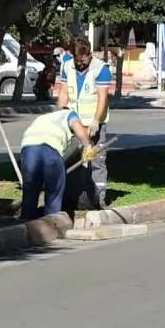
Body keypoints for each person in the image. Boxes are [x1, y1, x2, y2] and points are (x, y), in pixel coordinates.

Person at [57, 40, 113, 208]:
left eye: (83, 60)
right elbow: (64, 92)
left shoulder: (101, 69)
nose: (80, 64)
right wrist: (60, 114)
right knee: (72, 159)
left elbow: (103, 98)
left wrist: (96, 120)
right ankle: (71, 198)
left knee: (96, 160)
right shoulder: (67, 66)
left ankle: (98, 199)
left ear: (89, 55)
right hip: (74, 123)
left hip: (94, 124)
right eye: (77, 60)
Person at [19, 109, 96, 220]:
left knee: (30, 191)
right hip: (50, 149)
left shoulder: (44, 117)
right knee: (53, 192)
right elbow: (79, 130)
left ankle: (26, 226)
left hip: (28, 150)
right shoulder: (70, 114)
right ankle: (52, 224)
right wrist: (88, 146)